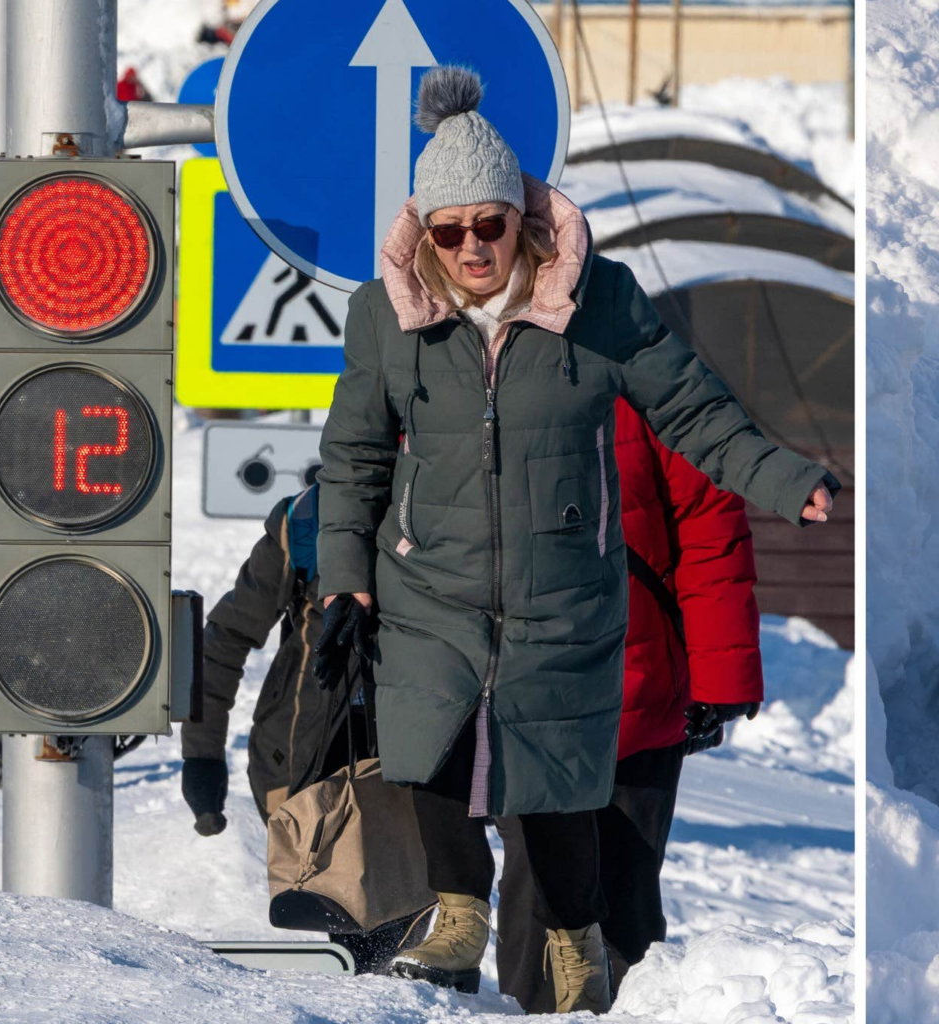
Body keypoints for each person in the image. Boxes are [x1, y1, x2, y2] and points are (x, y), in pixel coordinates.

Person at [312, 66, 836, 1011]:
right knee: (428, 731)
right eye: (449, 230)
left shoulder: (597, 301)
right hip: (430, 576)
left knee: (553, 773)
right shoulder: (383, 317)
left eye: (490, 224)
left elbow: (695, 412)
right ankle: (458, 907)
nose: (472, 247)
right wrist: (343, 577)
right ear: (424, 233)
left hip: (562, 584)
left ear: (523, 217)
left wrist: (786, 479)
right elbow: (351, 458)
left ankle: (571, 933)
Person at [494, 400, 765, 1013]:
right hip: (518, 689)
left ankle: (629, 1008)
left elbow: (710, 525)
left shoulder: (655, 382)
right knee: (534, 882)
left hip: (636, 694)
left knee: (627, 885)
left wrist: (719, 679)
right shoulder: (473, 371)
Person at [177, 485, 414, 973]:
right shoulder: (307, 518)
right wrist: (202, 755)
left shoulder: (460, 503)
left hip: (416, 748)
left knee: (403, 934)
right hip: (304, 759)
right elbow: (226, 638)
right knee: (351, 941)